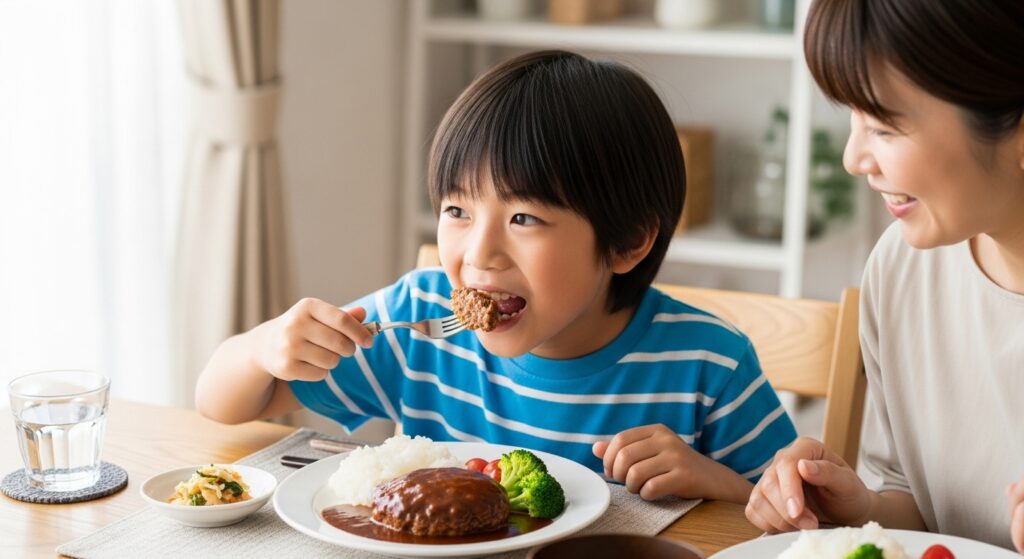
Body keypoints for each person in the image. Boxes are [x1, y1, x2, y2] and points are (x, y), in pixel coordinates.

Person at [195, 50, 798, 505]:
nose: (479, 252)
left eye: (523, 217)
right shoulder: (420, 321)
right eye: (457, 210)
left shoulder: (708, 364)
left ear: (628, 242)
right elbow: (224, 403)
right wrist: (264, 348)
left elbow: (801, 523)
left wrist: (715, 482)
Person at [743, 0, 1024, 550]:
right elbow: (919, 503)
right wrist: (859, 507)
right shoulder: (902, 267)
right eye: (853, 117)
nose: (853, 157)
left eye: (884, 126)